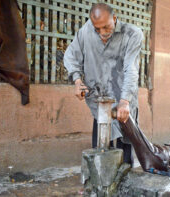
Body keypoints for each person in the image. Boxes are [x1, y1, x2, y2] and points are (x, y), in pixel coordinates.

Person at [64, 3, 143, 166]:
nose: (102, 33)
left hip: (123, 99)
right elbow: (71, 54)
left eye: (106, 27)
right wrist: (77, 80)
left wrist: (125, 101)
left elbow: (131, 69)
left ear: (114, 18)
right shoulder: (87, 31)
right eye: (97, 29)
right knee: (99, 151)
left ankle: (124, 183)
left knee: (124, 152)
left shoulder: (132, 34)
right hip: (100, 101)